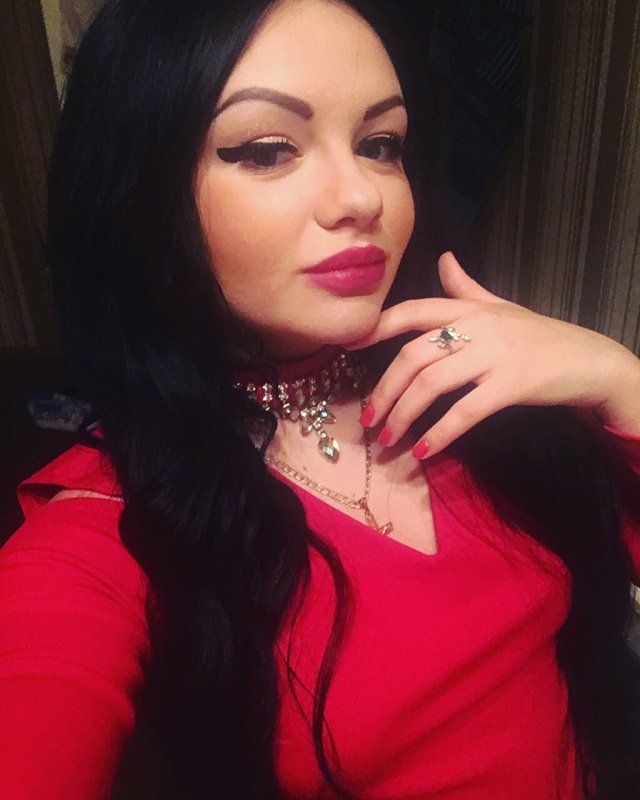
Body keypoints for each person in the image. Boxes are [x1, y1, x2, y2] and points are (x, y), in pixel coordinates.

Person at [1, 1, 639, 798]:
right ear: (139, 191)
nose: (361, 197)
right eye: (267, 150)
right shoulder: (106, 525)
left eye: (380, 145)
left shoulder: (475, 388)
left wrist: (624, 383)